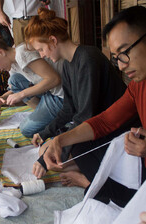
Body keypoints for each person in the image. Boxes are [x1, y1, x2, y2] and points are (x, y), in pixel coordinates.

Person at [42, 6, 146, 208]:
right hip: (136, 154)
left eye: (124, 53)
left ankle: (90, 184)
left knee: (119, 199)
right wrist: (60, 140)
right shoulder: (137, 86)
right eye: (116, 58)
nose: (122, 65)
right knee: (79, 143)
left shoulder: (87, 58)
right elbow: (105, 120)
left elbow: (87, 113)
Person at [24, 7, 135, 180]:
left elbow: (86, 116)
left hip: (117, 129)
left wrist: (51, 155)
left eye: (41, 49)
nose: (42, 55)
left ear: (53, 40)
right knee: (56, 147)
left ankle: (88, 178)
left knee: (65, 151)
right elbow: (68, 109)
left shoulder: (88, 58)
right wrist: (45, 133)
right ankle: (84, 168)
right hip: (97, 124)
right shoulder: (68, 65)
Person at [0, 36, 64, 137]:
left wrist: (21, 94)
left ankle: (60, 120)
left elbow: (54, 79)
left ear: (1, 52)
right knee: (14, 80)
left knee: (26, 129)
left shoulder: (22, 54)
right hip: (50, 91)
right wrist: (2, 97)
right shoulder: (12, 63)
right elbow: (14, 89)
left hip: (61, 96)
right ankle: (44, 114)